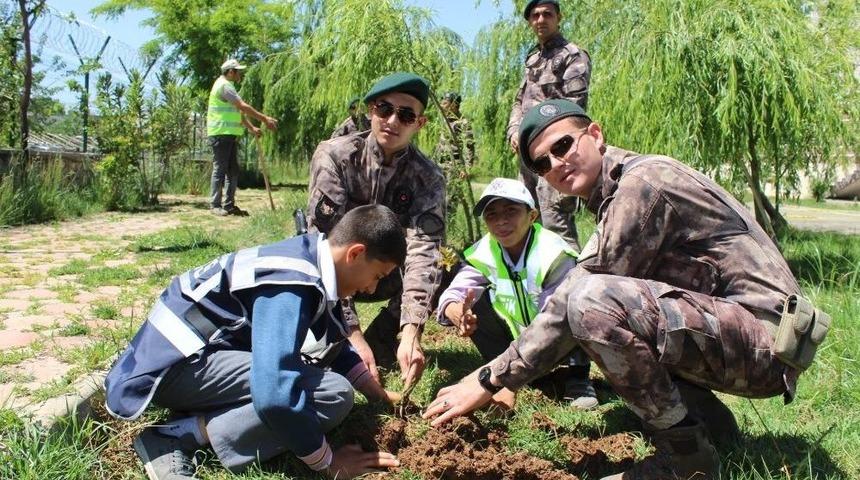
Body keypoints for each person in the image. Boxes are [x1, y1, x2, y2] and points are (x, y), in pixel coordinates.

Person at [424, 99, 828, 480]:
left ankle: (685, 459)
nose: (556, 164)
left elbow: (575, 297)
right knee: (614, 305)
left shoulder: (643, 184)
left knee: (592, 303)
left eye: (563, 145)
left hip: (765, 345)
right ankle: (709, 426)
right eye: (543, 163)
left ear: (595, 135)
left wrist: (490, 378)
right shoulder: (614, 190)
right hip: (750, 337)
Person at [104, 205, 406, 480]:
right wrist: (327, 463)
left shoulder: (311, 257)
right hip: (171, 367)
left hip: (184, 356)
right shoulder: (292, 283)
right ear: (355, 253)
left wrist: (375, 393)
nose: (371, 288)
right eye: (377, 276)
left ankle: (195, 420)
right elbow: (274, 394)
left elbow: (332, 339)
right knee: (332, 394)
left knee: (311, 370)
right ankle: (177, 436)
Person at [307, 72, 446, 392]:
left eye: (406, 115)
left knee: (445, 263)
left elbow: (425, 251)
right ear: (371, 110)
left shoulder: (428, 177)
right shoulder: (335, 157)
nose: (393, 120)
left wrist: (412, 331)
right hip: (338, 272)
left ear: (419, 124)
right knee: (310, 263)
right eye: (384, 109)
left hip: (385, 274)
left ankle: (385, 340)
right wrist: (350, 333)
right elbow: (324, 248)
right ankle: (339, 341)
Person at [436, 178, 598, 409]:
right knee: (476, 301)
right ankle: (508, 367)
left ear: (532, 216)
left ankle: (577, 377)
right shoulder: (485, 251)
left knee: (575, 307)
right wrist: (454, 309)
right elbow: (460, 288)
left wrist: (507, 383)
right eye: (491, 215)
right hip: (518, 340)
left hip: (557, 339)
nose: (501, 221)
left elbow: (553, 324)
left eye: (511, 211)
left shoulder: (554, 255)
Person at [507, 0, 591, 250]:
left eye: (547, 14)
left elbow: (573, 107)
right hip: (527, 155)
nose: (541, 20)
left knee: (556, 224)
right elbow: (520, 99)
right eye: (535, 15)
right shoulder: (532, 57)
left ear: (558, 17)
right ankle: (533, 283)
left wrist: (544, 139)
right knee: (525, 219)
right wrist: (514, 130)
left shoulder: (572, 55)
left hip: (555, 155)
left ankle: (572, 285)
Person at [207, 58, 278, 216]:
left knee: (232, 171)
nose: (241, 74)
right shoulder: (224, 86)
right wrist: (265, 119)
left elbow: (237, 113)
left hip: (228, 135)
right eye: (239, 71)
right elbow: (243, 106)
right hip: (220, 134)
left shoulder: (228, 86)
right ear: (231, 72)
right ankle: (215, 205)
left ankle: (229, 205)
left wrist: (252, 127)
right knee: (220, 169)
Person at [434, 92, 477, 235]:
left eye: (445, 102)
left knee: (451, 200)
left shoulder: (462, 122)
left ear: (454, 104)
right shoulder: (444, 121)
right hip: (440, 165)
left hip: (455, 166)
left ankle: (449, 231)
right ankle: (438, 228)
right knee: (437, 198)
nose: (442, 105)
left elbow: (469, 146)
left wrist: (466, 167)